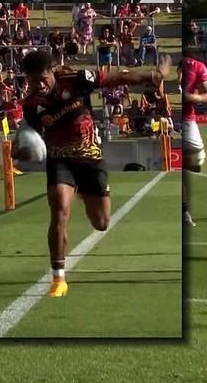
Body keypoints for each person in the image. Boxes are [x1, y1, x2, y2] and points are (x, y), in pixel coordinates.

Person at [17, 50, 171, 297]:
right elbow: (24, 139)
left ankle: (81, 192)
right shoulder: (32, 104)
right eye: (33, 80)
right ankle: (58, 279)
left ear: (52, 71)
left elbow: (118, 77)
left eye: (43, 78)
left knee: (101, 222)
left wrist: (155, 74)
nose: (39, 84)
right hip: (60, 159)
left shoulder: (76, 79)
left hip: (90, 157)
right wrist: (22, 151)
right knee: (59, 208)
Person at [181, 47, 207, 226]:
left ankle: (184, 211)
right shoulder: (196, 65)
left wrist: (193, 97)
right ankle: (184, 211)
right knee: (196, 159)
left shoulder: (196, 66)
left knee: (197, 159)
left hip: (186, 118)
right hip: (180, 119)